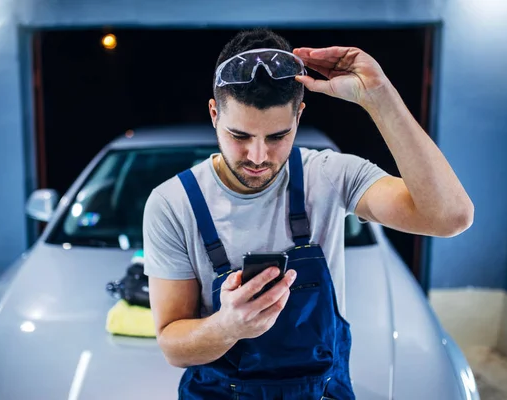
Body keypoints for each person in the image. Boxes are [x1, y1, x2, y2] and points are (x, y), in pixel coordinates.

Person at [142, 28, 474, 399]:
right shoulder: (173, 203)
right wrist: (228, 326)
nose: (257, 157)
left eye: (276, 136)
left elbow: (450, 217)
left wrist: (379, 98)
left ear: (299, 115)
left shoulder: (330, 176)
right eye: (240, 136)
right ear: (214, 113)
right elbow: (173, 345)